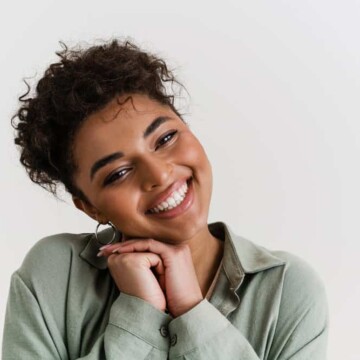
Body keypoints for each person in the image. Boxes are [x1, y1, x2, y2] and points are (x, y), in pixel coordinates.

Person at [2, 39, 328, 359]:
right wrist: (139, 315)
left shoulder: (288, 289)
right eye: (118, 173)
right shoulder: (56, 273)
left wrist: (192, 311)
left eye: (166, 138)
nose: (158, 175)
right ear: (90, 206)